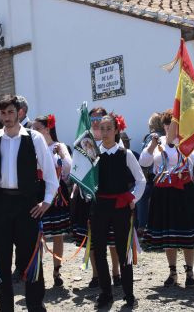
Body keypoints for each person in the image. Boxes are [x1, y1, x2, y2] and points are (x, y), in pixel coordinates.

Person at [0, 95, 58, 312]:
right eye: (3, 113)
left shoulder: (34, 138)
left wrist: (46, 202)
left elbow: (50, 173)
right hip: (1, 206)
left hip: (27, 206)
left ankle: (35, 306)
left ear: (19, 113)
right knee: (2, 264)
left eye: (10, 112)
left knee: (31, 261)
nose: (6, 117)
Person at [140, 109, 194, 288]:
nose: (170, 127)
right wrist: (152, 146)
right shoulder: (156, 141)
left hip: (183, 191)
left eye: (173, 123)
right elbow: (144, 162)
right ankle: (172, 271)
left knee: (187, 234)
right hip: (163, 193)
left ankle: (189, 272)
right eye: (167, 124)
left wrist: (177, 144)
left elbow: (192, 160)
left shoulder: (186, 142)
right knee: (168, 233)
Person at [91, 114, 146, 308]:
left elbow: (141, 180)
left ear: (116, 130)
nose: (104, 132)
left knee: (124, 252)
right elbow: (85, 181)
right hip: (99, 207)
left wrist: (132, 198)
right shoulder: (93, 154)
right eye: (101, 128)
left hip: (120, 207)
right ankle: (106, 293)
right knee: (99, 250)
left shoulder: (126, 155)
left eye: (108, 128)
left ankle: (129, 293)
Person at [70, 106, 122, 288]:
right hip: (89, 197)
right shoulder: (86, 143)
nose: (96, 123)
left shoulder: (117, 144)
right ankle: (96, 274)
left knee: (113, 240)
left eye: (99, 119)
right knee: (92, 238)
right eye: (92, 120)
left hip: (110, 198)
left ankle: (116, 272)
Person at [32, 114, 73, 287]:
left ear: (47, 129)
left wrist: (63, 155)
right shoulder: (32, 147)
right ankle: (37, 270)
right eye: (33, 129)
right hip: (37, 190)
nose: (34, 132)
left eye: (37, 129)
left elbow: (69, 167)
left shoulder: (58, 146)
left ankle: (57, 271)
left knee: (57, 234)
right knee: (37, 234)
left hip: (56, 192)